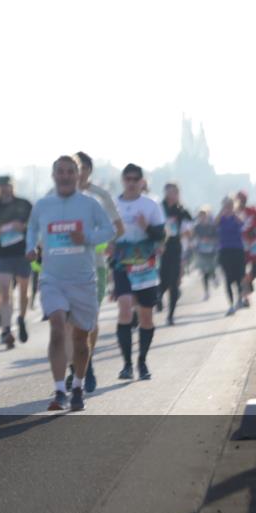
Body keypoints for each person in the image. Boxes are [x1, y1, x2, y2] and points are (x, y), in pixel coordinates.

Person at [26, 156, 114, 411]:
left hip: (83, 279)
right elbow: (32, 229)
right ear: (53, 175)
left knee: (81, 337)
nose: (64, 176)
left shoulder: (90, 204)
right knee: (56, 325)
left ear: (78, 175)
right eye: (60, 172)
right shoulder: (43, 204)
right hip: (52, 278)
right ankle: (58, 390)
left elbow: (109, 231)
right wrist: (30, 247)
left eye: (69, 172)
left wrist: (86, 237)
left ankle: (77, 384)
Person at [65, 151, 124, 393]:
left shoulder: (100, 196)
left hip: (93, 266)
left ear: (88, 171)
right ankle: (75, 367)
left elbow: (117, 228)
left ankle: (86, 366)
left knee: (89, 321)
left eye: (79, 169)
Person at [110, 164, 166, 381]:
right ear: (123, 180)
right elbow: (105, 232)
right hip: (121, 263)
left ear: (142, 181)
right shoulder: (113, 205)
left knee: (146, 316)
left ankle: (142, 361)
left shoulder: (151, 205)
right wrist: (109, 243)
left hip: (145, 264)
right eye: (128, 178)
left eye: (136, 179)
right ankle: (126, 364)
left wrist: (146, 227)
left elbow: (161, 235)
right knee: (124, 308)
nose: (131, 183)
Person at [0, 176, 33, 348]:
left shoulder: (24, 204)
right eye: (2, 187)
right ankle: (7, 330)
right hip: (4, 255)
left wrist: (22, 226)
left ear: (13, 187)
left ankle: (21, 318)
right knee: (4, 292)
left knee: (23, 291)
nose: (5, 189)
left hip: (22, 253)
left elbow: (35, 224)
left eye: (8, 186)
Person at [156, 182, 193, 325]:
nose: (172, 195)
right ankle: (157, 298)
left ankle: (171, 315)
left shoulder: (182, 211)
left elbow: (189, 230)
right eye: (169, 192)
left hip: (176, 249)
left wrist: (187, 233)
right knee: (162, 281)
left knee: (174, 283)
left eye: (174, 192)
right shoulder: (159, 208)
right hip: (160, 249)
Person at [236, 190, 256, 308]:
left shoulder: (253, 211)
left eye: (243, 199)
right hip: (240, 246)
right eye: (239, 199)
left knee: (254, 272)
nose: (241, 201)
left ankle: (248, 283)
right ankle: (245, 297)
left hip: (254, 244)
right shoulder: (235, 213)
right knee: (241, 272)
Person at [216, 196, 246, 316]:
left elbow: (242, 223)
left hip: (237, 250)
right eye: (225, 205)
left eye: (230, 205)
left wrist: (233, 213)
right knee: (228, 279)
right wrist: (222, 212)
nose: (227, 208)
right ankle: (231, 305)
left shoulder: (237, 216)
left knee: (238, 278)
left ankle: (239, 298)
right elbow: (215, 223)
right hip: (225, 251)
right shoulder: (221, 218)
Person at [193, 207, 219, 301]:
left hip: (211, 251)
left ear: (207, 216)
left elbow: (217, 238)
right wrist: (196, 244)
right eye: (200, 216)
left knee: (211, 268)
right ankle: (206, 292)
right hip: (201, 252)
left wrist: (209, 240)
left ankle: (214, 277)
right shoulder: (197, 227)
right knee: (204, 272)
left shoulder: (212, 226)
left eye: (204, 216)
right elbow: (193, 238)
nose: (202, 218)